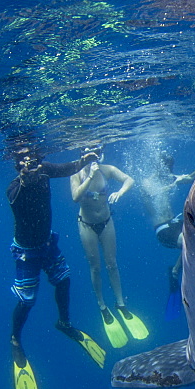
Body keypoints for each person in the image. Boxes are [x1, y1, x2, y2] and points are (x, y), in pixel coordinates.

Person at [7, 145, 107, 389]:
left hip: (47, 245)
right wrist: (27, 182)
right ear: (17, 165)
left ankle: (64, 322)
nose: (30, 163)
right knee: (27, 300)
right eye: (23, 161)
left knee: (64, 279)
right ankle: (16, 340)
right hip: (27, 253)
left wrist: (84, 160)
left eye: (33, 158)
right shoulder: (14, 188)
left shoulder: (45, 171)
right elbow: (16, 199)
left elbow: (68, 169)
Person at [70, 144, 149, 348]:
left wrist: (120, 192)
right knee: (95, 267)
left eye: (95, 155)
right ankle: (102, 306)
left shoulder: (108, 169)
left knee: (112, 263)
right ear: (82, 158)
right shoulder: (77, 175)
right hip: (86, 225)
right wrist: (89, 175)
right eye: (88, 157)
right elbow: (76, 197)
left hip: (106, 222)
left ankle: (120, 304)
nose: (92, 160)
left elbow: (129, 179)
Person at [140, 152, 195, 320]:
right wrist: (174, 183)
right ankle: (175, 271)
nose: (170, 171)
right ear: (159, 167)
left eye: (171, 168)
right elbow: (154, 194)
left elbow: (188, 178)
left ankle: (175, 270)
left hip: (174, 221)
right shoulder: (146, 182)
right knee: (191, 242)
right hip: (162, 229)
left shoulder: (168, 176)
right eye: (167, 168)